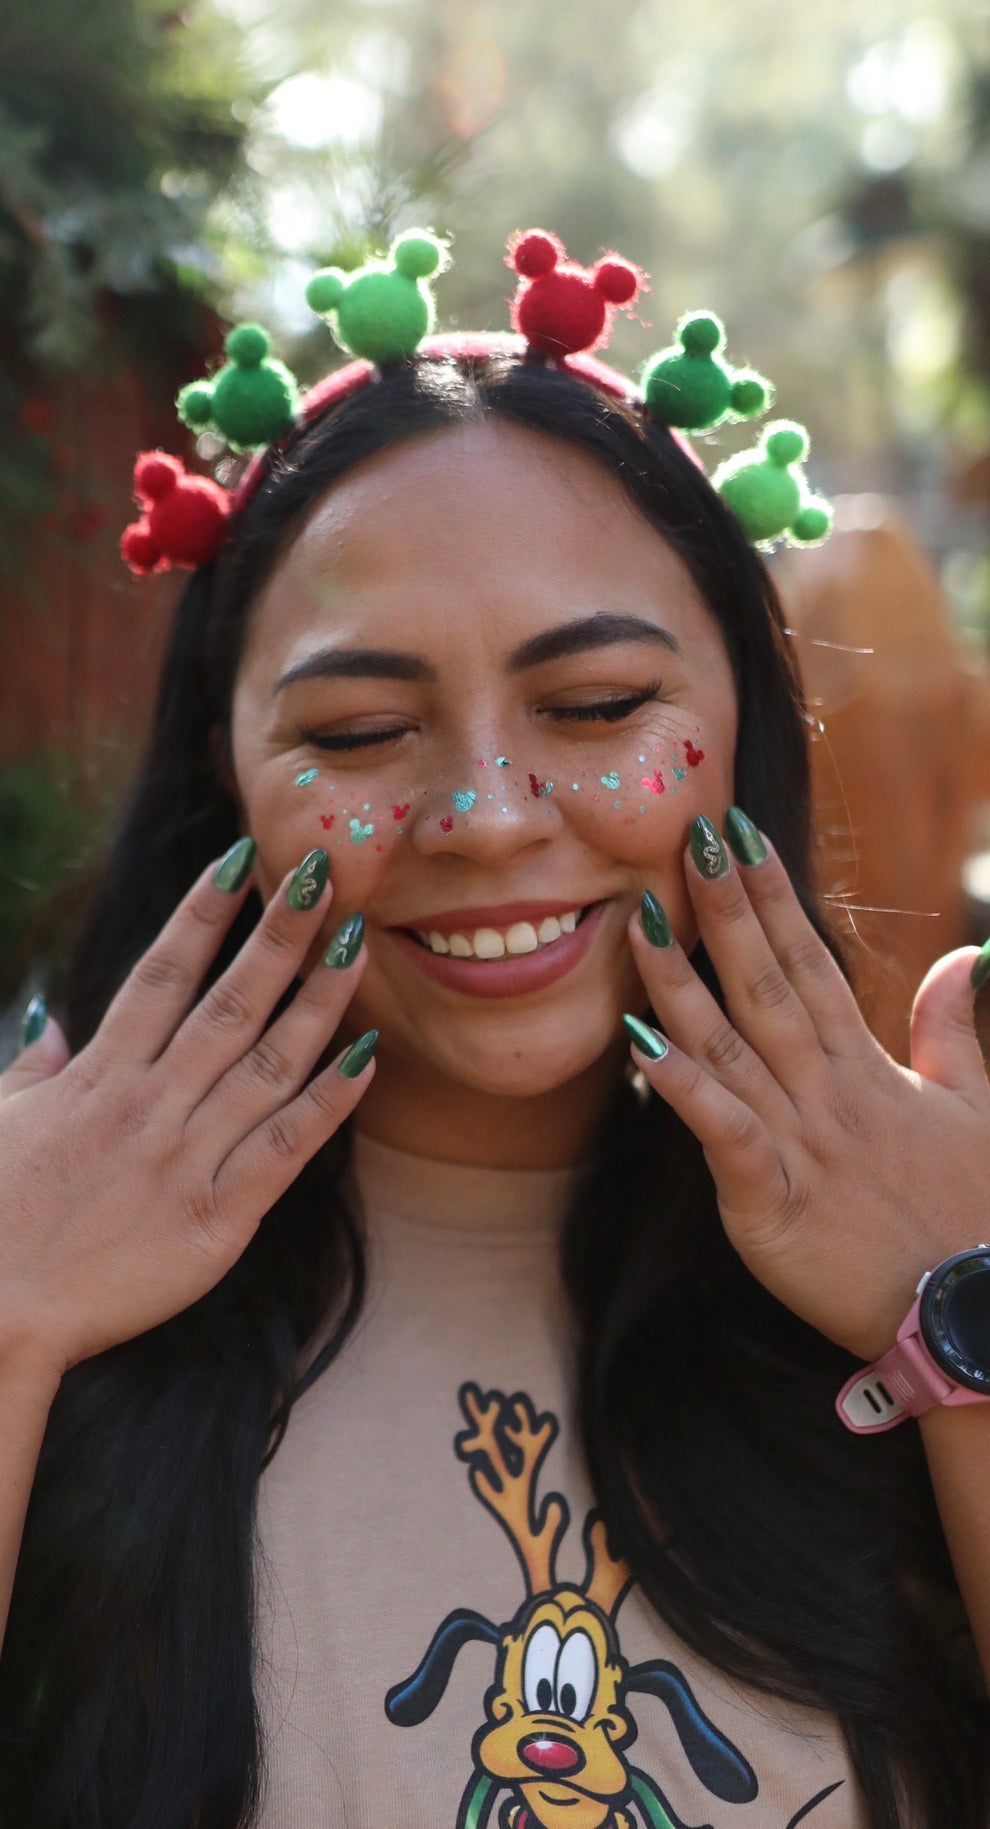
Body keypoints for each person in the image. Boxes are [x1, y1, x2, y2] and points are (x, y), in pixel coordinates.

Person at [0, 230, 987, 1829]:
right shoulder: (36, 1287)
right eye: (361, 730)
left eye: (595, 705)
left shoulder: (951, 1267)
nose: (480, 816)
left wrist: (963, 1318)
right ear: (222, 770)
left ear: (748, 712)